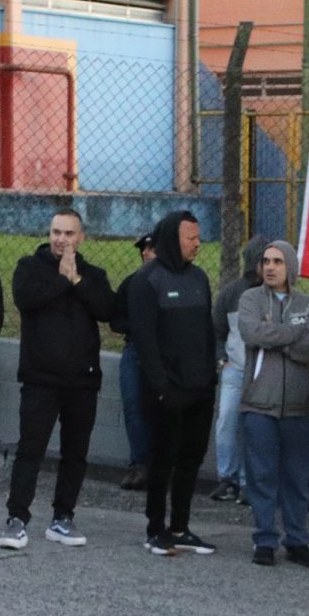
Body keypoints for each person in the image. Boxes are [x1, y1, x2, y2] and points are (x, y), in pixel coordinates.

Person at [1, 205, 113, 550]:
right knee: (30, 450)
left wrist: (77, 280)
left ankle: (63, 517)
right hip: (40, 379)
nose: (61, 239)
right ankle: (17, 519)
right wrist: (62, 278)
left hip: (82, 381)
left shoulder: (93, 274)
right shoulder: (29, 268)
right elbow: (27, 299)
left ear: (81, 237)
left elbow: (107, 310)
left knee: (75, 452)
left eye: (68, 233)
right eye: (56, 232)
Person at [125, 210, 218, 554]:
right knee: (162, 460)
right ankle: (155, 528)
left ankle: (180, 527)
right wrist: (161, 387)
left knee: (191, 459)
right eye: (191, 238)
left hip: (200, 388)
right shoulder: (147, 280)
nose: (198, 243)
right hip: (166, 392)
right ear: (171, 239)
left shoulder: (199, 278)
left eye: (198, 237)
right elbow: (145, 341)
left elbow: (207, 333)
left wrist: (210, 376)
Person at [234, 239, 309, 566]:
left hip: (300, 409)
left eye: (278, 261)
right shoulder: (250, 298)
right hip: (259, 404)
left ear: (290, 266)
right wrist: (293, 334)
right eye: (266, 261)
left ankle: (297, 541)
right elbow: (253, 333)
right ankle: (264, 540)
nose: (270, 267)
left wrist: (281, 338)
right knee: (262, 477)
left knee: (296, 479)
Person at [210, 238, 264, 504]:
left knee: (253, 428)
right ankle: (227, 478)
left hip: (263, 374)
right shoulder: (232, 293)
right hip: (235, 369)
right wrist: (222, 360)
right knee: (227, 423)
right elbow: (218, 330)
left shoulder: (276, 294)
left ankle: (246, 481)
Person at [113, 233, 156, 491]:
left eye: (151, 248)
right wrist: (140, 328)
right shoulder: (132, 283)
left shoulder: (178, 282)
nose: (146, 253)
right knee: (133, 406)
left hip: (164, 354)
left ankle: (160, 466)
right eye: (144, 249)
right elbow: (115, 320)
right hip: (135, 350)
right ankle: (139, 465)